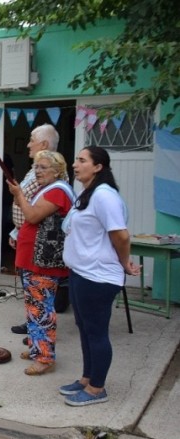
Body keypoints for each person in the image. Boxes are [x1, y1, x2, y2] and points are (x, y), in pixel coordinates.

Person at [60, 146, 139, 406]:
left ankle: (97, 388)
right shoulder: (88, 194)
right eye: (76, 159)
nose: (75, 164)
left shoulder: (105, 196)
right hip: (81, 273)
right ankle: (86, 378)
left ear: (98, 166)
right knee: (84, 329)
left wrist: (124, 262)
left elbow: (121, 235)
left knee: (96, 332)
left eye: (82, 160)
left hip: (97, 277)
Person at [7, 151, 74, 376]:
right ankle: (37, 348)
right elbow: (27, 213)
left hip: (43, 262)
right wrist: (18, 196)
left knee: (42, 309)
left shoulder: (58, 191)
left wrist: (19, 195)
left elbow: (33, 216)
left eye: (43, 167)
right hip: (32, 259)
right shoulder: (45, 190)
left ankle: (45, 357)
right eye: (36, 167)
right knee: (33, 307)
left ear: (57, 170)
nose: (38, 171)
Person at [10, 124, 59, 335]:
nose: (28, 144)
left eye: (32, 139)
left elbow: (34, 209)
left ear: (44, 144)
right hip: (26, 235)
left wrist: (17, 194)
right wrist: (16, 231)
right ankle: (32, 324)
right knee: (30, 288)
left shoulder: (52, 174)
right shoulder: (35, 169)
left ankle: (40, 333)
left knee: (40, 291)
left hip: (40, 242)